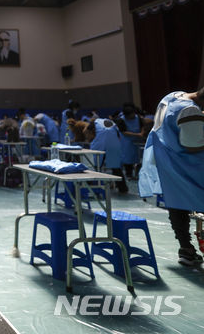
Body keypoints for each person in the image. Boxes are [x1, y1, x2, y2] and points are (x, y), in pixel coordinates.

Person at [139, 88, 204, 266]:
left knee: (176, 202)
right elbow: (193, 146)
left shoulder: (173, 96)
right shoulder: (190, 110)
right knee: (193, 197)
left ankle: (186, 249)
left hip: (166, 157)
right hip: (185, 161)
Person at [86, 117, 127, 193]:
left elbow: (88, 132)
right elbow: (118, 136)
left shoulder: (95, 123)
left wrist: (89, 140)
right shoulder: (111, 123)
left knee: (95, 165)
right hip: (114, 143)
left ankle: (90, 186)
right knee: (116, 167)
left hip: (100, 142)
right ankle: (123, 188)